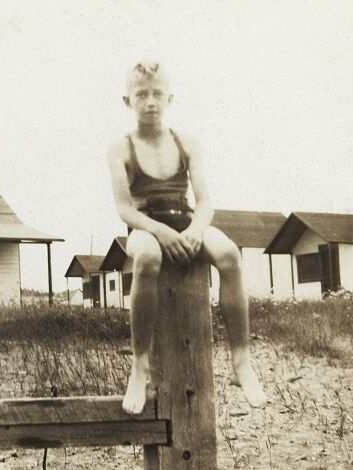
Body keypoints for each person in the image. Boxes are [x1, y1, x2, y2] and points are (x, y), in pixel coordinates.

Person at [106, 60, 267, 414]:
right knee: (148, 258)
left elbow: (205, 202)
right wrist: (161, 232)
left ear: (170, 98)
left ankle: (241, 360)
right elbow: (125, 210)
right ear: (126, 101)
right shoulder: (119, 148)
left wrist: (194, 232)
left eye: (158, 94)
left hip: (186, 220)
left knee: (229, 254)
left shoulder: (187, 142)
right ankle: (140, 365)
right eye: (141, 95)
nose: (150, 102)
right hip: (145, 227)